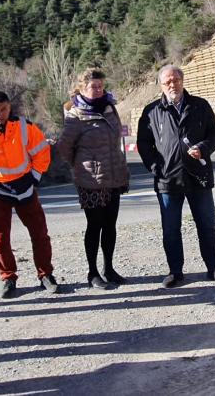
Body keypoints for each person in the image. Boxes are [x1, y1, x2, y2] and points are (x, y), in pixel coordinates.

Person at [137, 64, 215, 288]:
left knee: (207, 226)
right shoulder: (151, 111)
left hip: (199, 176)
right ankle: (175, 272)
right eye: (167, 81)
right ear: (161, 85)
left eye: (176, 80)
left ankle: (214, 268)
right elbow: (144, 144)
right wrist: (156, 168)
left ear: (182, 81)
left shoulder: (200, 105)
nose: (172, 85)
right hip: (167, 180)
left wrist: (203, 148)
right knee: (171, 229)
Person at [0, 91, 58, 298]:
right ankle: (8, 278)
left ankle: (46, 275)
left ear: (9, 107)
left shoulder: (25, 127)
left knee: (40, 233)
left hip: (25, 188)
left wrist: (34, 177)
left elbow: (42, 151)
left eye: (3, 109)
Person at [56, 69, 130, 289]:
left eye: (100, 86)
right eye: (93, 87)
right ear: (82, 88)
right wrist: (81, 166)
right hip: (91, 181)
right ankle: (93, 272)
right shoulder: (76, 115)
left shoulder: (109, 108)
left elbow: (115, 139)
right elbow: (64, 147)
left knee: (110, 225)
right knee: (95, 225)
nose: (98, 90)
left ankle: (109, 268)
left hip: (114, 175)